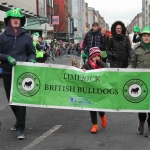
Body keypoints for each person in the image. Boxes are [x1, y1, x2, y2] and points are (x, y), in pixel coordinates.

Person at [0, 8, 36, 139]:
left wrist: (32, 59)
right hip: (8, 71)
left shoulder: (27, 37)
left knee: (20, 99)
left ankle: (20, 128)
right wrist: (7, 58)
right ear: (9, 20)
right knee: (11, 99)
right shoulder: (2, 37)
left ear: (21, 21)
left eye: (18, 18)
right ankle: (18, 120)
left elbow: (31, 52)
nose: (16, 20)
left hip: (23, 72)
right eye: (13, 18)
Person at [128, 26, 150, 137]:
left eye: (148, 36)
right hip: (141, 82)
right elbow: (133, 63)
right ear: (141, 37)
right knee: (141, 105)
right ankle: (141, 122)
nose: (146, 38)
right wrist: (127, 71)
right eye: (144, 36)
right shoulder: (137, 50)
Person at [81, 47, 108, 133]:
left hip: (100, 89)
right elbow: (80, 72)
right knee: (92, 107)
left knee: (99, 106)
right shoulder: (87, 65)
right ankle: (95, 125)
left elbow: (108, 69)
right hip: (90, 90)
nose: (96, 58)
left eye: (98, 56)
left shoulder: (102, 64)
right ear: (90, 57)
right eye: (94, 56)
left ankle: (102, 116)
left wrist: (100, 63)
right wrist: (83, 70)